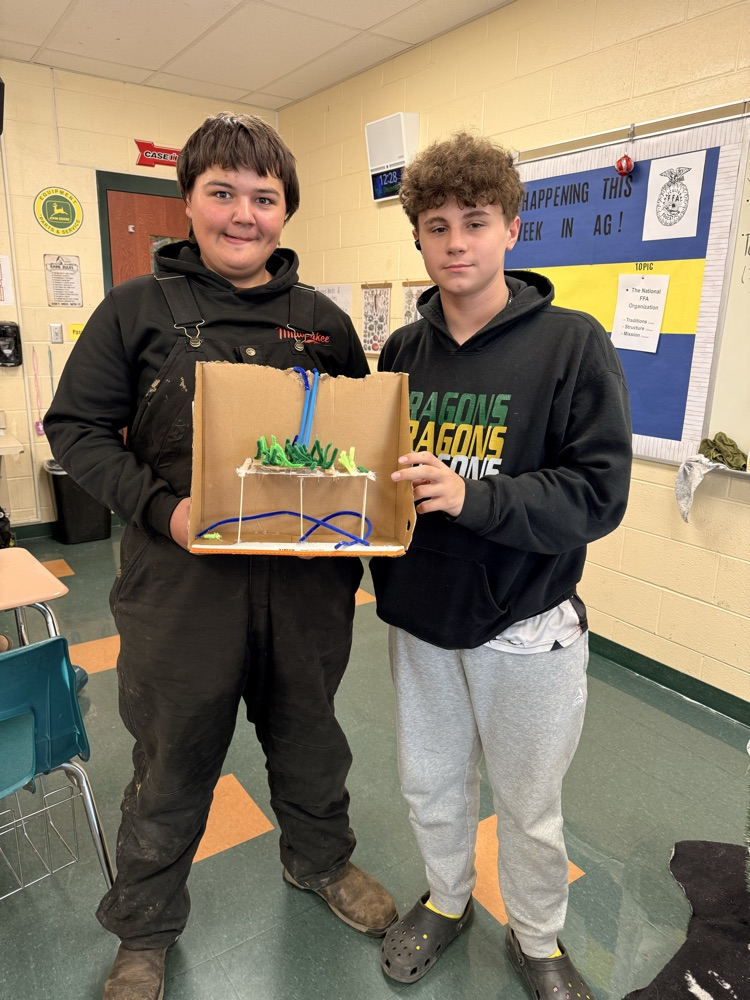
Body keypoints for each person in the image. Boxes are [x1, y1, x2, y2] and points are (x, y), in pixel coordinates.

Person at [44, 112, 396, 1000]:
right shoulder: (134, 310)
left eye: (264, 197)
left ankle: (320, 862)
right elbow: (76, 430)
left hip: (308, 584)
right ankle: (146, 930)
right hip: (181, 585)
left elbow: (358, 443)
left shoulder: (322, 322)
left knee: (313, 740)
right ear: (189, 202)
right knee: (172, 758)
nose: (244, 213)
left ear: (286, 211)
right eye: (223, 192)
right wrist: (163, 511)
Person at [370, 132, 632, 1000]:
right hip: (422, 621)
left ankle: (540, 939)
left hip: (526, 626)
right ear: (418, 238)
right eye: (436, 226)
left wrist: (475, 498)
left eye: (474, 223)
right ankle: (447, 901)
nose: (455, 243)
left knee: (526, 807)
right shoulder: (403, 355)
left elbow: (599, 495)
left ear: (512, 230)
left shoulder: (571, 343)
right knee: (431, 787)